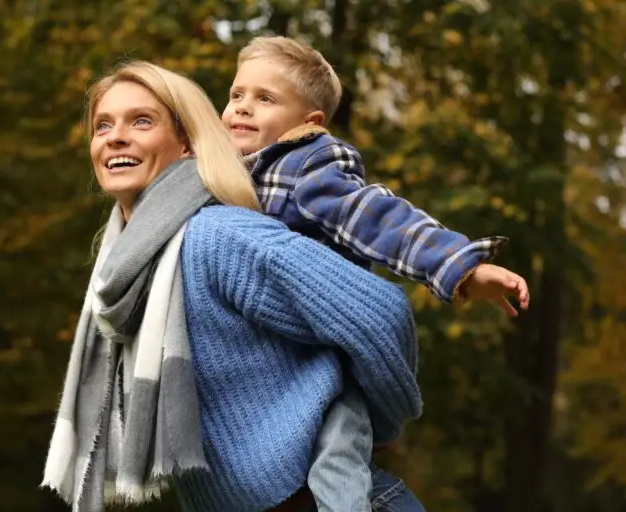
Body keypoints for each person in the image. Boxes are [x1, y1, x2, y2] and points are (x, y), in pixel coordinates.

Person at [41, 61, 423, 512]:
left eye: (141, 121)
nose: (115, 136)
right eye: (103, 125)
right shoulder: (125, 271)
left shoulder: (216, 236)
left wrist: (378, 424)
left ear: (186, 143)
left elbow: (381, 311)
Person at [220, 36, 530, 512]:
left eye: (265, 99)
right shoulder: (223, 174)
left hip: (329, 361)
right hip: (267, 365)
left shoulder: (308, 165)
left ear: (309, 123)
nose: (242, 108)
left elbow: (381, 220)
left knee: (338, 463)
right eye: (237, 94)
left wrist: (464, 268)